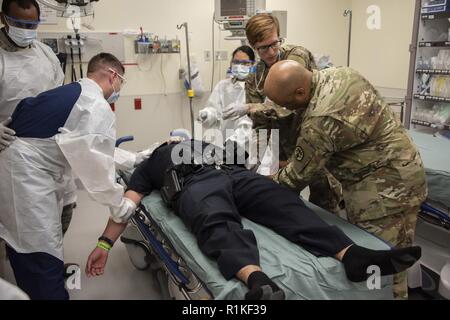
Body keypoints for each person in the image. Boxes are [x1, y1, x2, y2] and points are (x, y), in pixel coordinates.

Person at [85, 139, 422, 300]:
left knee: (286, 205)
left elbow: (253, 163)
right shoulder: (152, 162)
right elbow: (126, 207)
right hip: (194, 184)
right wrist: (104, 243)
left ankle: (350, 255)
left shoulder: (208, 144)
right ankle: (257, 280)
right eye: (172, 139)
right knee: (213, 218)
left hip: (236, 176)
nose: (176, 139)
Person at [262, 60, 428, 299]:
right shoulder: (339, 74)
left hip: (383, 192)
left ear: (300, 92)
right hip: (402, 169)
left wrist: (265, 181)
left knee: (378, 268)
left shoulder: (321, 119)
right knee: (395, 254)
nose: (288, 110)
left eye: (288, 104)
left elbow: (296, 177)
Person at [0, 53, 139, 300]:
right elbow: (96, 167)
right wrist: (119, 207)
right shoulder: (95, 104)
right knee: (39, 249)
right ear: (113, 76)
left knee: (30, 246)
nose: (119, 90)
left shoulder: (73, 93)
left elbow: (86, 144)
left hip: (22, 168)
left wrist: (136, 159)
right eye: (121, 84)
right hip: (27, 178)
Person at [222, 13, 343, 214]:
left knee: (325, 201)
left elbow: (284, 104)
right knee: (284, 201)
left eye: (274, 43)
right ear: (253, 46)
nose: (271, 52)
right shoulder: (256, 78)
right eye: (263, 48)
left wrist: (251, 107)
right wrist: (259, 159)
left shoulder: (296, 57)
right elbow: (260, 124)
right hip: (285, 147)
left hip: (315, 139)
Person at [0, 0, 76, 274]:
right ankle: (36, 273)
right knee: (28, 226)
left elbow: (59, 96)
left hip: (53, 150)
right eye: (20, 24)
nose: (26, 30)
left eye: (32, 25)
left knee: (60, 213)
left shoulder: (45, 54)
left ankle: (51, 264)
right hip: (14, 153)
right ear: (4, 18)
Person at [198, 45, 255, 148]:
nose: (239, 66)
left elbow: (250, 124)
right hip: (223, 142)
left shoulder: (256, 89)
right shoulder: (223, 86)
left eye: (245, 63)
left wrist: (233, 142)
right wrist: (207, 114)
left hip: (246, 146)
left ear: (253, 64)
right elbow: (215, 110)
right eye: (236, 62)